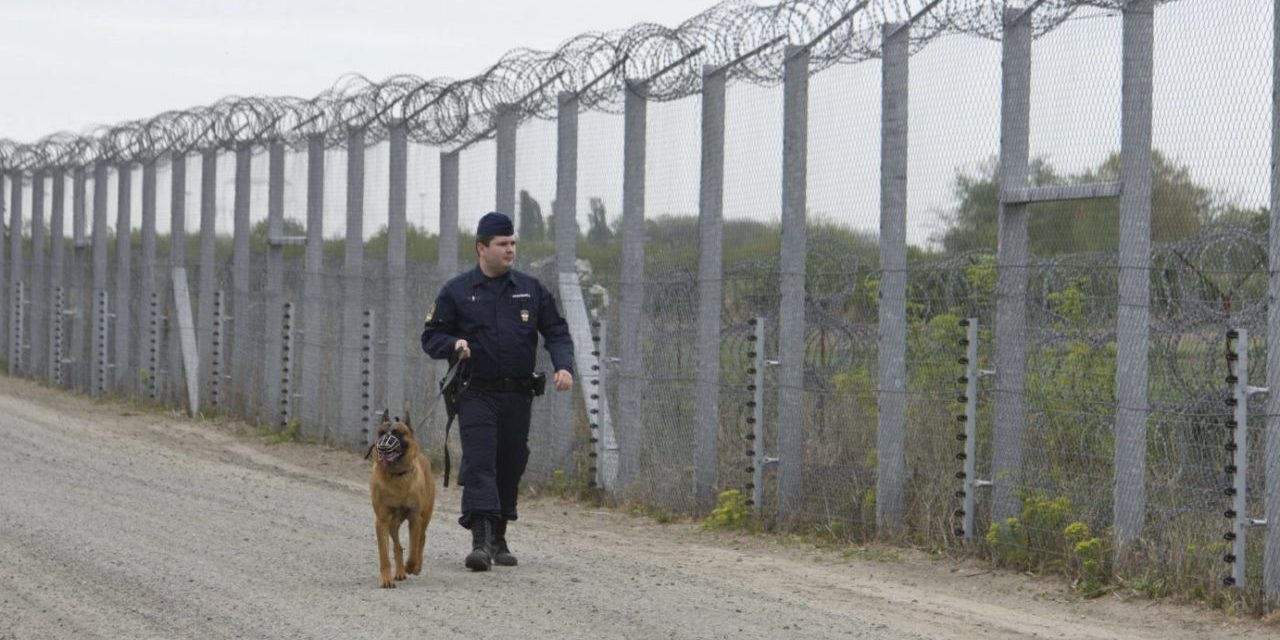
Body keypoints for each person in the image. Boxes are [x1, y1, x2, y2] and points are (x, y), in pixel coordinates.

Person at [420, 211, 574, 571]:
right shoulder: (457, 292)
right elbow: (430, 337)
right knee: (480, 462)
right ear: (481, 248)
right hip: (476, 393)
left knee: (510, 463)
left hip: (518, 395)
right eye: (502, 244)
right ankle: (480, 542)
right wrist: (454, 343)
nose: (510, 250)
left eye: (513, 243)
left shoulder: (530, 290)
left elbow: (556, 332)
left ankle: (500, 535)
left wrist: (564, 366)